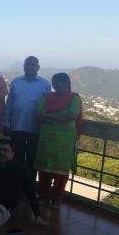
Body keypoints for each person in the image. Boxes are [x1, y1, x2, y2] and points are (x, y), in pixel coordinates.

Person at [34, 72, 83, 207]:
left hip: (64, 141)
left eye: (57, 83)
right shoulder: (48, 97)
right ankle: (44, 196)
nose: (55, 86)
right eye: (53, 83)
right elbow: (38, 113)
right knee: (44, 169)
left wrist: (48, 116)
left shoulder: (74, 98)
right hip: (46, 139)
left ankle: (56, 198)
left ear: (66, 83)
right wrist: (59, 116)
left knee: (61, 171)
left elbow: (72, 116)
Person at [3, 56, 51, 179]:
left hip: (35, 129)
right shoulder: (16, 82)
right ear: (23, 66)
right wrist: (6, 122)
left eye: (32, 65)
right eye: (27, 64)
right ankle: (16, 184)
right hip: (17, 127)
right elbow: (9, 104)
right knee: (16, 157)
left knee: (32, 159)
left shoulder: (45, 84)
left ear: (38, 67)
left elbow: (47, 106)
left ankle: (29, 185)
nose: (29, 67)